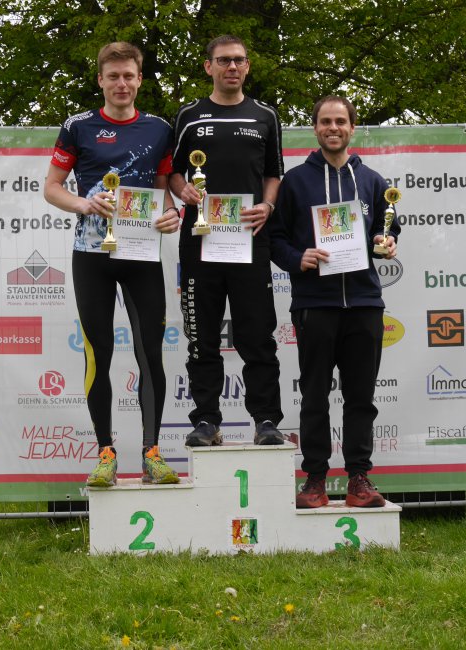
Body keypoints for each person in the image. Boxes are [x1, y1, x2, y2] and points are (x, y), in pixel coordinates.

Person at [43, 42, 181, 487]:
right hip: (92, 255)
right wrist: (84, 204)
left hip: (140, 254)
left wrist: (171, 214)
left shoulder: (159, 129)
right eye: (113, 76)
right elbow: (52, 187)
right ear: (100, 80)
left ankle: (152, 453)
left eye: (129, 76)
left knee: (150, 354)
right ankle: (105, 452)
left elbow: (162, 187)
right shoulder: (78, 126)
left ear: (139, 80)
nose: (122, 84)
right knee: (97, 353)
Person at [269, 95, 399, 508]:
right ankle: (315, 480)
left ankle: (359, 478)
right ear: (315, 128)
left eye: (340, 121)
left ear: (352, 128)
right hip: (315, 303)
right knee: (314, 396)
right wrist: (297, 258)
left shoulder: (373, 181)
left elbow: (389, 229)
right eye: (325, 121)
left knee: (361, 397)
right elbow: (275, 238)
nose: (333, 128)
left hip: (364, 303)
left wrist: (387, 243)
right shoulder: (295, 182)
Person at [170, 35, 284, 447]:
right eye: (223, 61)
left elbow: (274, 173)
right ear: (209, 67)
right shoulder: (188, 115)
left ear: (248, 66)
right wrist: (182, 190)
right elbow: (173, 171)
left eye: (238, 60)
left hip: (250, 240)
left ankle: (266, 421)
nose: (231, 67)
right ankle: (206, 421)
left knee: (258, 336)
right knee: (202, 337)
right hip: (200, 241)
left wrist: (268, 206)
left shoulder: (265, 116)